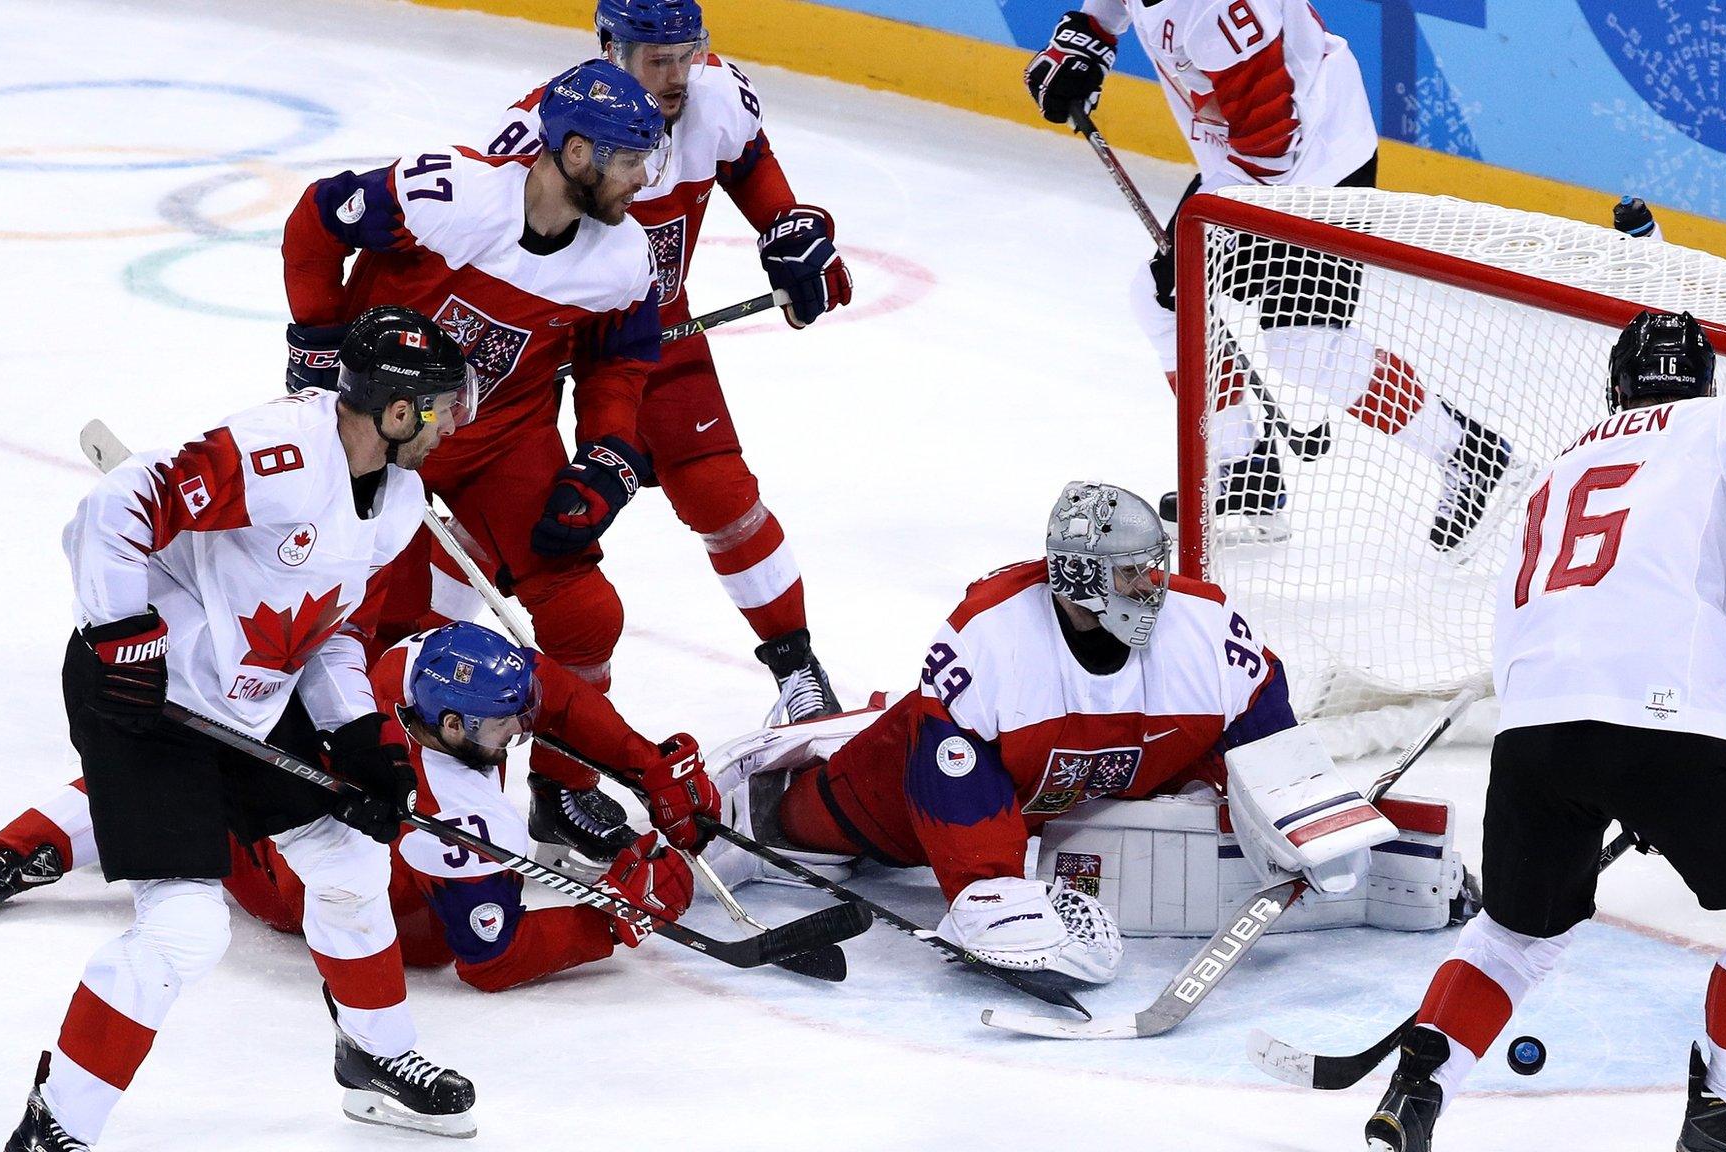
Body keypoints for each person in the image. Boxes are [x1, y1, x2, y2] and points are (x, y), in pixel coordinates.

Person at [1360, 311, 1726, 1152]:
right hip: (1661, 727)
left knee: (1516, 937)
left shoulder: (1560, 466)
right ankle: (1723, 1116)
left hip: (1531, 735)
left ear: (1616, 388)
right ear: (1703, 383)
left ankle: (1417, 1087)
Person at [7, 308, 481, 1150]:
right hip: (147, 705)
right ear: (398, 411)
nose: (453, 423)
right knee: (186, 927)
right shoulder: (284, 453)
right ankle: (54, 1127)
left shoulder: (400, 500)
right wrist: (119, 631)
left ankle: (375, 1058)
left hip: (249, 699)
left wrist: (360, 735)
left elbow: (330, 629)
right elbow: (117, 504)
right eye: (443, 406)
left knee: (347, 863)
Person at [704, 482, 1463, 983]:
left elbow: (1264, 719)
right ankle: (763, 802)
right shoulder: (991, 637)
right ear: (1075, 578)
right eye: (1130, 573)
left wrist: (1310, 820)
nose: (1152, 587)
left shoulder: (1204, 627)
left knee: (1236, 819)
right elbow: (950, 775)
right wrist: (987, 889)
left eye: (1153, 567)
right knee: (817, 819)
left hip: (1117, 775)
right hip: (930, 788)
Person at [283, 56, 671, 873]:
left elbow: (622, 359)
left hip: (502, 438)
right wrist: (318, 342)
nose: (645, 179)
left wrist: (607, 451)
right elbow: (316, 220)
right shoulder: (449, 193)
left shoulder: (622, 257)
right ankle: (334, 762)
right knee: (362, 620)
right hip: (382, 437)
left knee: (584, 614)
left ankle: (561, 790)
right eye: (632, 161)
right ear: (574, 155)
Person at [0, 621, 719, 994]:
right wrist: (618, 917)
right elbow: (491, 960)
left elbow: (546, 689)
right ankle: (12, 853)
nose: (521, 730)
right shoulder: (459, 817)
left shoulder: (415, 667)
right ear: (454, 726)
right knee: (166, 793)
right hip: (293, 884)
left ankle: (19, 849)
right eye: (504, 725)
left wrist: (643, 761)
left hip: (321, 817)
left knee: (194, 783)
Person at [1025, 2, 1513, 549]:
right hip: (1246, 158)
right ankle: (1247, 476)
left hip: (1313, 164)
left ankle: (1469, 454)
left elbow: (1272, 150)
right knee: (1171, 300)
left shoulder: (1212, 8)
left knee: (1304, 347)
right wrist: (1086, 38)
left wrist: (1201, 230)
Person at [482, 0, 851, 721]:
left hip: (652, 331)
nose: (678, 75)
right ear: (610, 49)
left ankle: (798, 672)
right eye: (659, 58)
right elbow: (475, 250)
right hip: (540, 347)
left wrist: (792, 228)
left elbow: (749, 161)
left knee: (723, 495)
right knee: (515, 533)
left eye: (688, 53)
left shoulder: (714, 95)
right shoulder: (545, 128)